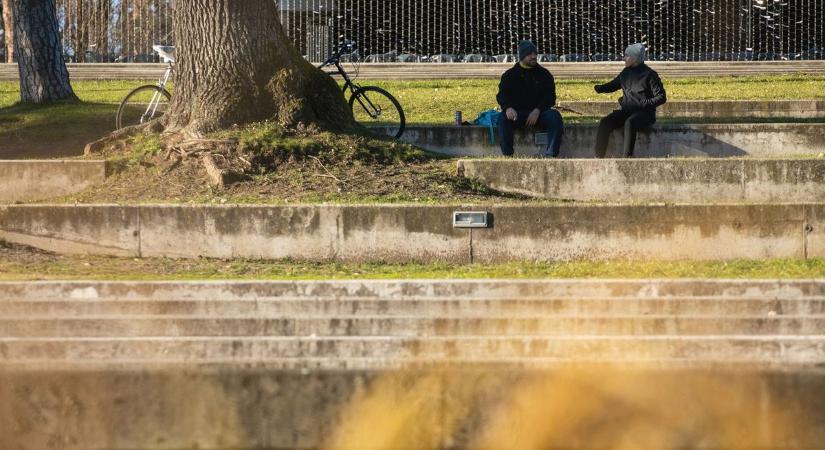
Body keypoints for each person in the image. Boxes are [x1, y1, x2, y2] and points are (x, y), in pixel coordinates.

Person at [593, 43, 667, 158]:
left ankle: (627, 158)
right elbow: (613, 85)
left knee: (630, 123)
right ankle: (598, 157)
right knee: (605, 122)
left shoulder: (650, 75)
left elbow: (661, 97)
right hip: (627, 111)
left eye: (626, 56)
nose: (624, 58)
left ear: (634, 58)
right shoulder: (626, 72)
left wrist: (645, 103)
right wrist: (600, 88)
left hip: (645, 113)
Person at [496, 40, 564, 157]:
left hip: (539, 114)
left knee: (555, 117)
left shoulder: (544, 74)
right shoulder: (509, 75)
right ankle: (508, 155)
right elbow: (502, 95)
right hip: (517, 114)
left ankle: (551, 154)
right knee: (502, 119)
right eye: (529, 54)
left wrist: (538, 110)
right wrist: (508, 108)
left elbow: (550, 96)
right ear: (522, 56)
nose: (533, 56)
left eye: (535, 53)